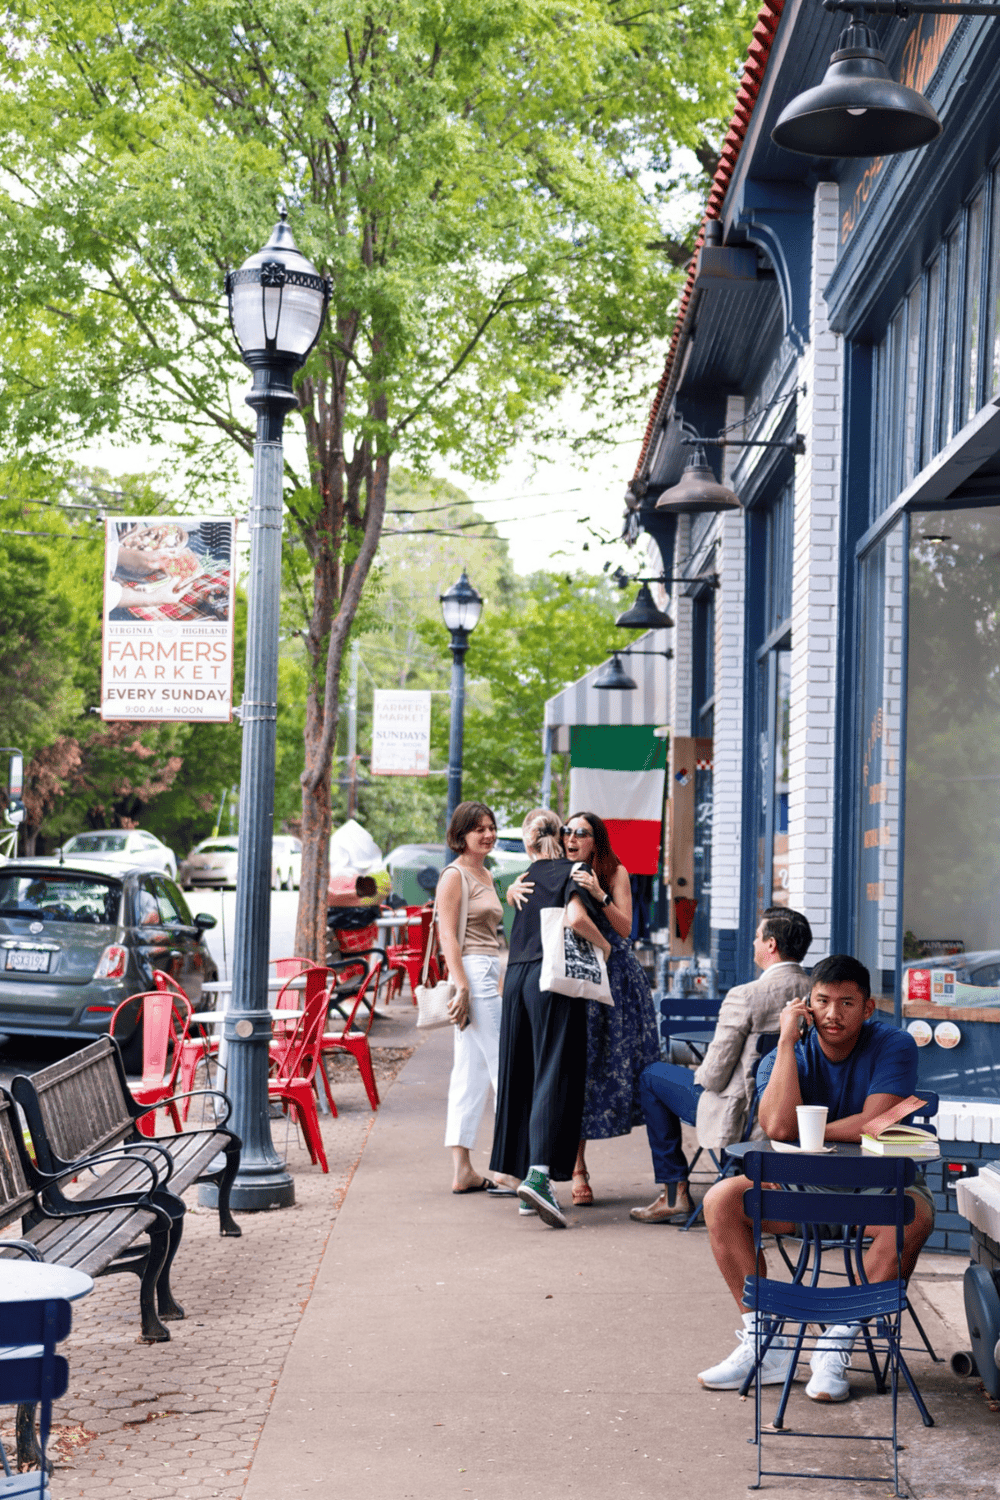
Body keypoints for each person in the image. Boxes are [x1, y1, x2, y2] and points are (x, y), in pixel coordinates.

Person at [697, 953, 935, 1402]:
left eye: (847, 1003)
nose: (832, 1014)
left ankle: (838, 1340)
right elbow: (777, 1128)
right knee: (722, 1200)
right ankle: (768, 1344)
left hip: (876, 1188)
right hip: (800, 1191)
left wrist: (811, 1131)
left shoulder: (894, 1044)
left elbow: (877, 1120)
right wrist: (786, 1041)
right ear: (806, 1003)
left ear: (867, 1008)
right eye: (822, 1001)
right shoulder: (789, 1052)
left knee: (914, 1215)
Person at [511, 813, 659, 1206]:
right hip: (571, 977)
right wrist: (512, 890)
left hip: (614, 979)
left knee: (610, 1074)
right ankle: (577, 1168)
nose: (573, 837)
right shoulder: (557, 869)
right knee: (577, 1072)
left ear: (597, 841)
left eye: (583, 833)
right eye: (568, 831)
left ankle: (664, 1174)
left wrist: (599, 893)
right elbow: (531, 896)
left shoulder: (614, 871)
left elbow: (626, 928)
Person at [630, 906, 813, 1225]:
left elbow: (714, 1076)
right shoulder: (816, 993)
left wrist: (696, 1076)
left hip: (743, 1115)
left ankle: (675, 1194)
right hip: (794, 1112)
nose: (754, 944)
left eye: (758, 937)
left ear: (771, 945)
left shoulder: (747, 995)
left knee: (651, 1076)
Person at [489, 808, 611, 1228]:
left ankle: (525, 1179)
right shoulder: (572, 869)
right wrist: (605, 947)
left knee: (521, 1074)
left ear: (528, 842)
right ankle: (540, 1176)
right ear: (561, 837)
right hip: (552, 977)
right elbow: (577, 918)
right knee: (552, 1074)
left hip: (517, 976)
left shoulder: (521, 878)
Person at [436, 801, 517, 1196]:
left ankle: (463, 1169)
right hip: (471, 973)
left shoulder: (484, 873)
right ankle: (510, 1167)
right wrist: (462, 984)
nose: (487, 834)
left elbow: (492, 936)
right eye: (478, 828)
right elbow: (447, 934)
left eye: (491, 827)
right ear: (461, 834)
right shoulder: (455, 876)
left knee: (469, 1074)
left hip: (486, 972)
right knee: (507, 1066)